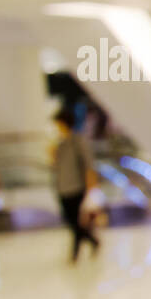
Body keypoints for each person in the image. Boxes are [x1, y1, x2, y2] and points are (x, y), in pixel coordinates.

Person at [51, 108, 101, 262]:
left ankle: (75, 253)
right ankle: (92, 242)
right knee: (71, 221)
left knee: (76, 222)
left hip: (76, 188)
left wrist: (92, 187)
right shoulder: (60, 144)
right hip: (63, 188)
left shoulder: (77, 141)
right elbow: (56, 166)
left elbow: (88, 165)